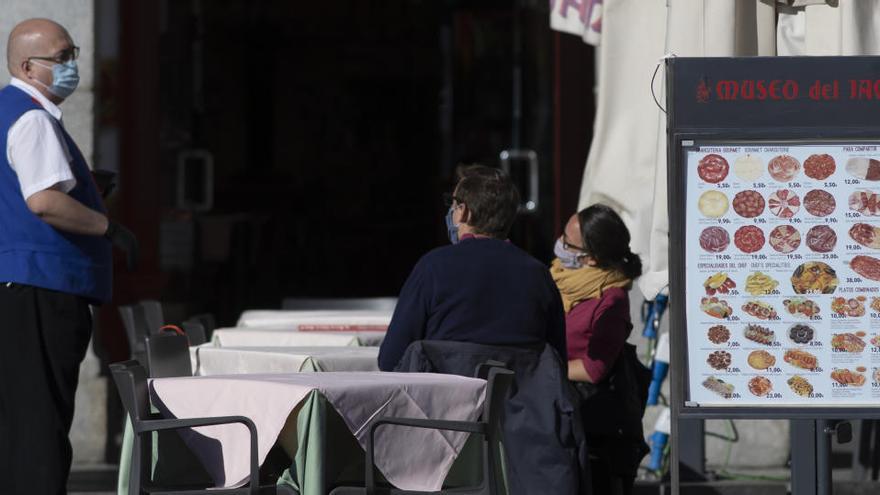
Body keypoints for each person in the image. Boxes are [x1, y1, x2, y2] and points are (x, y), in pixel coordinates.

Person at [0, 18, 138, 494]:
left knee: (21, 423)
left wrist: (89, 189)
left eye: (72, 53)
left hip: (17, 287)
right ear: (26, 65)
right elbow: (43, 201)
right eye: (60, 58)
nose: (71, 66)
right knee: (40, 425)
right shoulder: (32, 117)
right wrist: (108, 226)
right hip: (41, 288)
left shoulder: (7, 111)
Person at [378, 164, 566, 371]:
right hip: (521, 402)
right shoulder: (539, 276)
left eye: (454, 204)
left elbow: (390, 358)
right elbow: (558, 363)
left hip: (441, 401)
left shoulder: (434, 267)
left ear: (463, 212)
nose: (451, 211)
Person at [551, 204, 649, 495]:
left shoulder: (612, 300)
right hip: (556, 410)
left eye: (567, 243)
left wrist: (544, 366)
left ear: (591, 259)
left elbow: (595, 369)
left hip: (591, 424)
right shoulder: (558, 277)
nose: (559, 244)